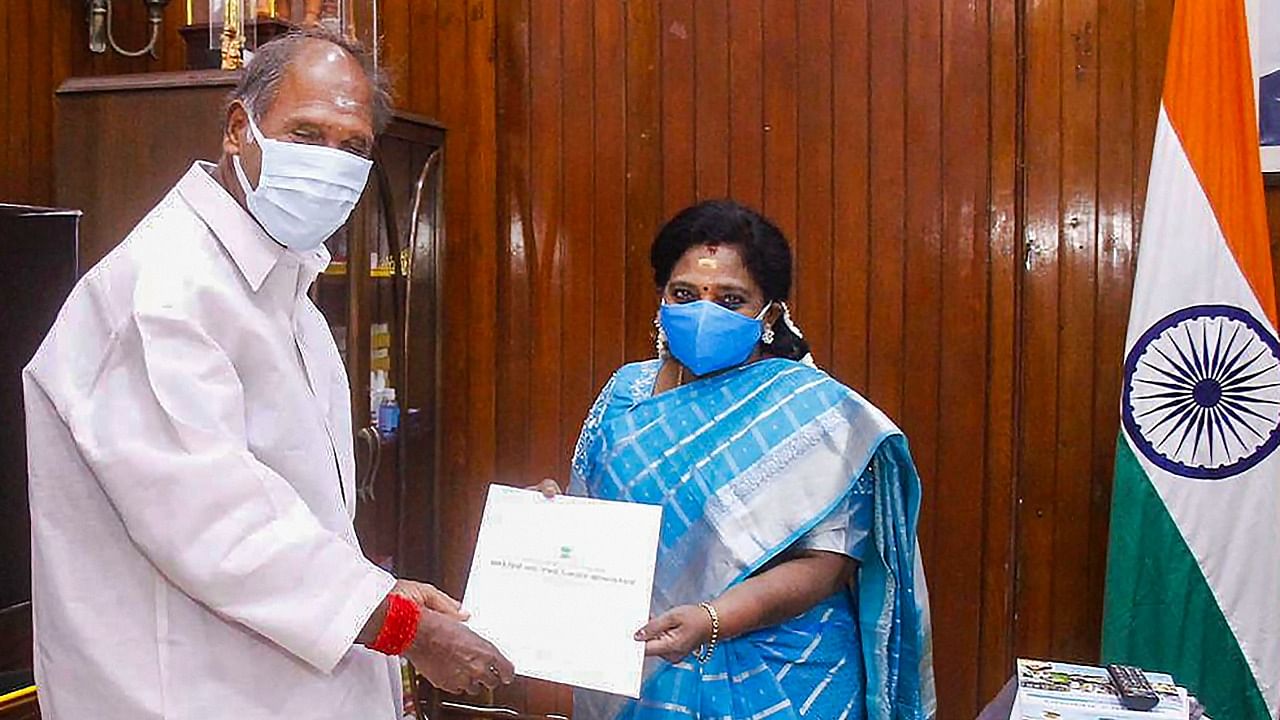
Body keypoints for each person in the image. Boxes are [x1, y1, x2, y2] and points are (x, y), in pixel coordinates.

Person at [22, 28, 512, 720]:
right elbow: (224, 531)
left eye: (354, 146)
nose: (330, 163)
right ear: (237, 129)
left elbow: (297, 514)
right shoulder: (163, 291)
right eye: (306, 134)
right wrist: (405, 627)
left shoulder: (288, 297)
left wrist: (381, 594)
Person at [534, 200, 936, 720]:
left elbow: (828, 564)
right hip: (639, 669)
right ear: (661, 301)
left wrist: (713, 618)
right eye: (684, 294)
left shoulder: (812, 412)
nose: (705, 311)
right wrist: (549, 518)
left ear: (768, 314)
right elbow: (597, 517)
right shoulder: (624, 393)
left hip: (784, 676)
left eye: (731, 299)